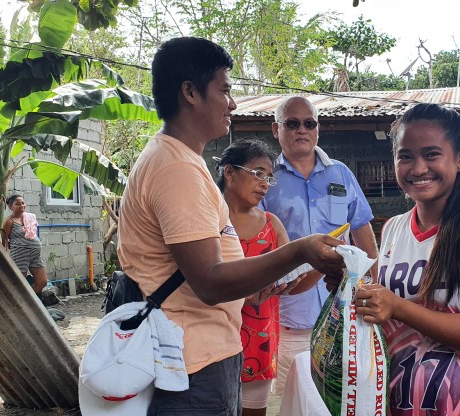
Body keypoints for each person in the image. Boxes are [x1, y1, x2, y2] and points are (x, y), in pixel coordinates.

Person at [117, 37, 343, 414]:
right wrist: (300, 250)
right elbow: (209, 281)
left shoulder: (179, 160)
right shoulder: (176, 168)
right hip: (192, 363)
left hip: (198, 356)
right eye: (224, 90)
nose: (233, 104)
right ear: (190, 92)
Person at [354, 103, 460, 415]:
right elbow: (383, 311)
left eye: (431, 154)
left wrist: (398, 307)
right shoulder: (392, 229)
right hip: (400, 403)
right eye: (406, 156)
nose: (417, 168)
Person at [261, 96, 379, 395]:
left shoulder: (340, 173)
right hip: (289, 316)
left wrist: (371, 284)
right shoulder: (266, 178)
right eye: (292, 123)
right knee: (294, 400)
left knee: (340, 397)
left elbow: (361, 229)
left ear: (318, 129)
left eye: (309, 123)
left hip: (342, 311)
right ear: (276, 130)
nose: (302, 130)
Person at [216, 140, 322, 416]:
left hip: (259, 341)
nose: (265, 183)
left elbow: (289, 284)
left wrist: (322, 266)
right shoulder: (207, 221)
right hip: (212, 339)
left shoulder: (271, 224)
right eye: (258, 173)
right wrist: (240, 294)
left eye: (269, 177)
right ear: (229, 172)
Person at [1, 194, 47, 296]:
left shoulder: (29, 218)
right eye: (18, 204)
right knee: (20, 284)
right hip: (20, 255)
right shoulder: (9, 221)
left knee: (42, 282)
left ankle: (27, 299)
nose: (22, 205)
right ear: (11, 207)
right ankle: (19, 305)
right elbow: (3, 240)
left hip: (35, 255)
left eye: (23, 203)